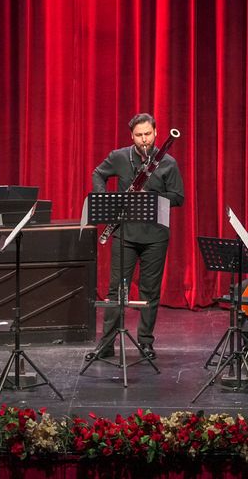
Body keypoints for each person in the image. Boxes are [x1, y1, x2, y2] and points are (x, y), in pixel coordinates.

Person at [89, 113, 184, 360]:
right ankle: (106, 343)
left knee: (149, 291)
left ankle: (145, 342)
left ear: (155, 133)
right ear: (132, 136)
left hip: (155, 235)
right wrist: (105, 199)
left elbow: (178, 197)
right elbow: (98, 174)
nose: (145, 140)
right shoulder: (120, 157)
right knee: (116, 290)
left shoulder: (168, 162)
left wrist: (152, 198)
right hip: (125, 233)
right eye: (139, 135)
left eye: (148, 134)